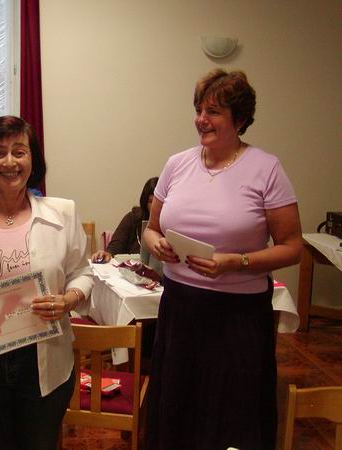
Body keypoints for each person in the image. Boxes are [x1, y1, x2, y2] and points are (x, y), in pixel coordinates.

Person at [142, 69, 302, 450]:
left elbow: (292, 247)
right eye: (199, 110)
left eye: (213, 111)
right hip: (180, 308)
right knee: (178, 410)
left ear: (240, 119)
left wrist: (236, 262)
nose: (201, 119)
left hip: (237, 316)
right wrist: (157, 243)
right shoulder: (177, 164)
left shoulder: (266, 169)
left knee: (230, 414)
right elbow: (150, 228)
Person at [0, 115, 93, 450]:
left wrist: (68, 300)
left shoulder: (62, 212)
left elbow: (83, 273)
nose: (10, 162)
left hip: (43, 362)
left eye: (19, 151)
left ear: (32, 159)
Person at [92, 176, 158, 263]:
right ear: (145, 203)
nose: (155, 206)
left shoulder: (170, 224)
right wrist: (107, 254)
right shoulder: (132, 218)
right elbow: (115, 247)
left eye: (159, 202)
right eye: (151, 201)